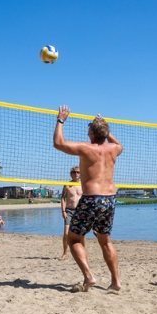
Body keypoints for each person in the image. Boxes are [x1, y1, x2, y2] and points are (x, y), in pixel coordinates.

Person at [53, 106, 123, 293]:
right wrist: (105, 128)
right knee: (105, 241)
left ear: (91, 132)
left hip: (92, 198)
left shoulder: (86, 148)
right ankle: (115, 282)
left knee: (74, 239)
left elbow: (58, 143)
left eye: (90, 128)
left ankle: (89, 276)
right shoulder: (114, 149)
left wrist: (61, 120)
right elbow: (119, 144)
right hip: (110, 200)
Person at [59, 166, 83, 260]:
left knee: (81, 234)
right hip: (69, 210)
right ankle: (65, 253)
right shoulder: (67, 185)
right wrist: (63, 211)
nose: (75, 174)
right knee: (66, 233)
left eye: (77, 172)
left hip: (80, 211)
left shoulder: (83, 185)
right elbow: (63, 198)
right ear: (71, 174)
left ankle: (82, 251)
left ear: (80, 174)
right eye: (73, 172)